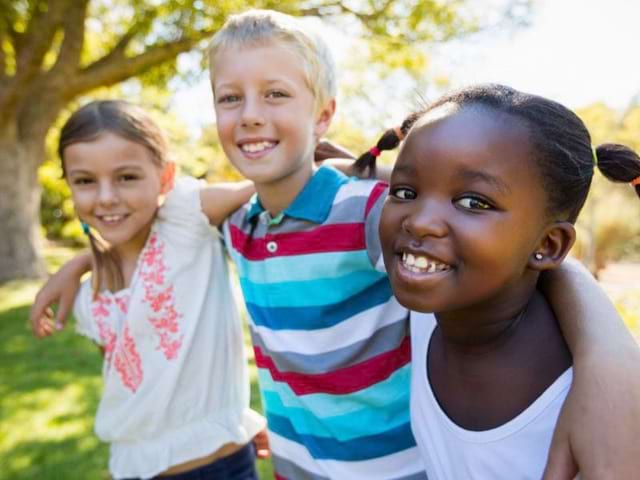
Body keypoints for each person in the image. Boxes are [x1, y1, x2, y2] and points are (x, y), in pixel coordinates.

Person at [33, 10, 640, 479]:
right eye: (229, 97)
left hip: (392, 468)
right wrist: (80, 264)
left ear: (322, 115)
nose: (249, 115)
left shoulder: (367, 213)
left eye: (276, 95)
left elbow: (493, 251)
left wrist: (609, 362)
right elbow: (144, 219)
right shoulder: (239, 223)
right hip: (298, 464)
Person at [367, 84, 640, 479]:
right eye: (406, 191)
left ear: (548, 245)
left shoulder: (598, 423)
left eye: (474, 202)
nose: (420, 220)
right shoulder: (435, 297)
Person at [31, 100, 267, 480]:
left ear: (165, 178)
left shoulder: (186, 220)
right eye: (85, 181)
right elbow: (136, 387)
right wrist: (80, 264)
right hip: (131, 469)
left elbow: (275, 180)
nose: (106, 196)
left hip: (219, 466)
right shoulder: (91, 299)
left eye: (126, 177)